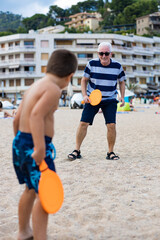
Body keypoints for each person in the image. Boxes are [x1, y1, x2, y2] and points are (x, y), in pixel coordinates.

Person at [12, 49, 77, 240]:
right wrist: (39, 148)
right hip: (36, 146)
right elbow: (36, 115)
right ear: (69, 77)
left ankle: (23, 232)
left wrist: (20, 145)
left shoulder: (34, 86)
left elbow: (16, 119)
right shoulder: (53, 89)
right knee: (44, 195)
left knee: (30, 189)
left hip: (21, 142)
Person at [68, 42, 126, 161]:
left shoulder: (117, 66)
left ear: (111, 53)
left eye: (106, 53)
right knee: (83, 124)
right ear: (98, 53)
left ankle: (110, 152)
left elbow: (122, 81)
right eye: (101, 53)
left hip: (110, 99)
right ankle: (76, 150)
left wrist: (122, 97)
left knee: (111, 125)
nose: (104, 56)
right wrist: (84, 95)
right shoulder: (91, 64)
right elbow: (84, 80)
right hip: (92, 99)